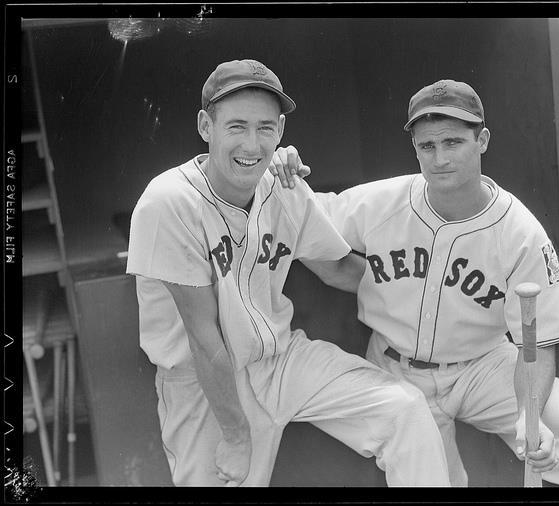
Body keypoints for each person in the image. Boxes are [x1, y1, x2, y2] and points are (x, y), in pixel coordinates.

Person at [126, 59, 451, 487]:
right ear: (206, 125)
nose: (252, 143)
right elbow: (205, 341)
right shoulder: (168, 202)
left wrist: (429, 297)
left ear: (280, 130)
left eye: (264, 128)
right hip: (204, 388)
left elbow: (337, 268)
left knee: (404, 411)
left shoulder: (283, 187)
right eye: (236, 126)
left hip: (280, 361)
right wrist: (236, 435)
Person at [269, 79, 559, 486]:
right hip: (397, 366)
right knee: (431, 482)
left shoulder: (520, 233)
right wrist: (283, 173)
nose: (440, 158)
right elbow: (305, 216)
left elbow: (537, 345)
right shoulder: (383, 202)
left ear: (481, 140)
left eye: (453, 142)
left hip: (482, 366)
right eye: (427, 146)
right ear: (415, 147)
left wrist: (527, 414)